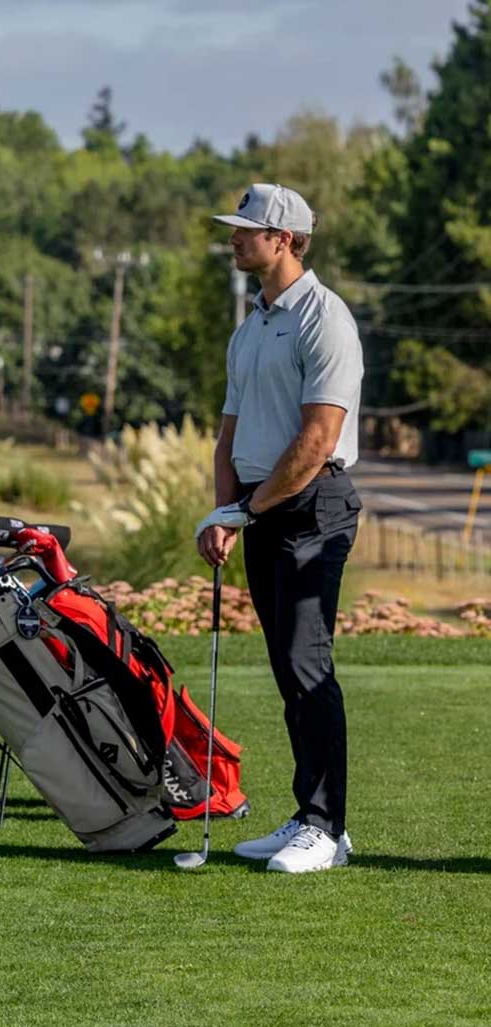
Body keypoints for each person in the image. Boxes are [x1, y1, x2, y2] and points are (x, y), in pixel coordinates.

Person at [195, 184, 364, 874]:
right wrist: (224, 510)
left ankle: (327, 829)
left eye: (247, 230)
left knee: (306, 663)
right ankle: (309, 813)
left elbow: (318, 439)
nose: (234, 239)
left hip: (312, 509)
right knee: (287, 669)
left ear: (287, 239)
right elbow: (230, 432)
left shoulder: (325, 318)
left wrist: (251, 508)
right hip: (265, 509)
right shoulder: (252, 324)